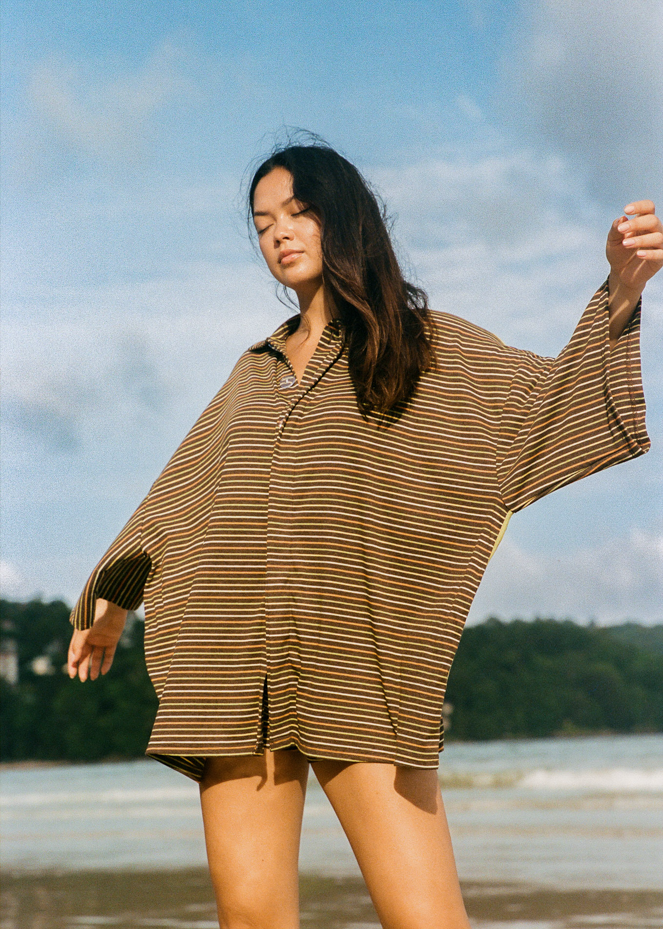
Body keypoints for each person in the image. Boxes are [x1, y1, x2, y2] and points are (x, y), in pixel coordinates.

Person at [67, 139, 661, 929]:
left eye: (298, 212)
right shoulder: (254, 368)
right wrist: (112, 605)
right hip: (237, 669)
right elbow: (180, 495)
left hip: (360, 665)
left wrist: (620, 293)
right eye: (262, 223)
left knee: (426, 920)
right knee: (250, 919)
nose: (279, 233)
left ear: (342, 218)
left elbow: (543, 406)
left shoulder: (424, 344)